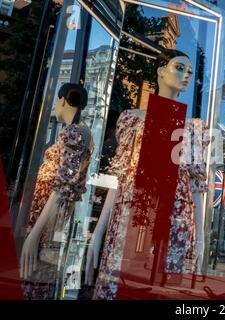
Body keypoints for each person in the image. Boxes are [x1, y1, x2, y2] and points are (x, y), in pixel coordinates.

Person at [85, 49, 210, 300]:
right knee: (121, 286)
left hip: (176, 218)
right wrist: (99, 231)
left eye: (189, 71)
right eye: (178, 68)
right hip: (132, 214)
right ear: (161, 72)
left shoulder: (194, 128)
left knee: (160, 290)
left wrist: (201, 238)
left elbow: (196, 187)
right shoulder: (133, 120)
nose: (185, 75)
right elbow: (121, 176)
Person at [20, 83, 92, 299]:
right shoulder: (81, 132)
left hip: (47, 220)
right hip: (51, 218)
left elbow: (63, 187)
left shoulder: (74, 132)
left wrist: (34, 234)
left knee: (35, 278)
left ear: (62, 101)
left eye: (56, 102)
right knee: (38, 278)